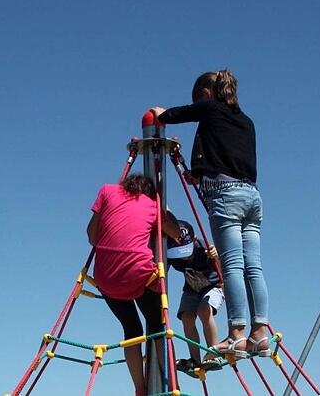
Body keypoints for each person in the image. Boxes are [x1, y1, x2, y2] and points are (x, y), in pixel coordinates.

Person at [152, 69, 271, 359]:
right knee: (253, 267)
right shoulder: (245, 121)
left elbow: (174, 115)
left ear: (206, 95)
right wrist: (198, 175)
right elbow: (226, 155)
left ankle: (237, 335)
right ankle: (259, 335)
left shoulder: (211, 108)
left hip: (226, 198)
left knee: (231, 266)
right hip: (252, 196)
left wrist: (160, 114)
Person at [87, 174, 180, 396]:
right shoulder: (151, 205)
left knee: (131, 329)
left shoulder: (107, 191)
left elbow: (92, 237)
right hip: (138, 274)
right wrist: (163, 206)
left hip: (105, 277)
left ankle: (140, 388)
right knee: (158, 327)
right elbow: (176, 234)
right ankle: (173, 385)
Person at [166, 217, 225, 373]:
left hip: (214, 286)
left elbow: (222, 267)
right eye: (178, 252)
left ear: (194, 240)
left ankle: (213, 352)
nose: (183, 256)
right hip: (192, 288)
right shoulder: (173, 256)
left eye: (186, 250)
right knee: (186, 317)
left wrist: (216, 256)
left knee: (204, 311)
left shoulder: (203, 249)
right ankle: (195, 359)